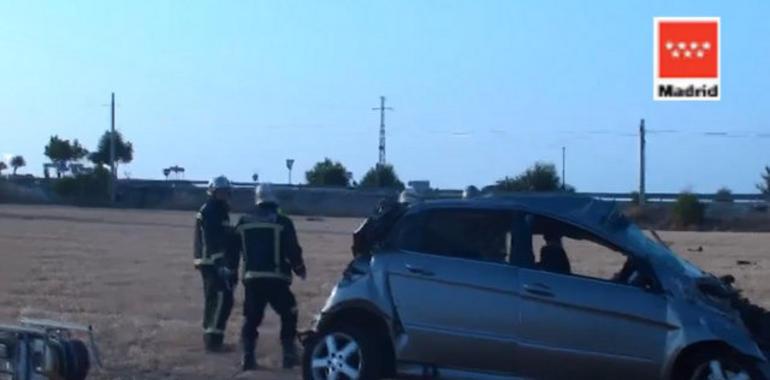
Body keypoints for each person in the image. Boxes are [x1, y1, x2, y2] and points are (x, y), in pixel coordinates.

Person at [234, 183, 306, 370]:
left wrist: (230, 271)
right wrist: (299, 268)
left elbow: (233, 249)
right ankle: (289, 353)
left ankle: (248, 357)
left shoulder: (243, 221)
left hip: (252, 279)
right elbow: (293, 249)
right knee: (289, 312)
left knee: (251, 318)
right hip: (277, 279)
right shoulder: (283, 221)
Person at [193, 175, 238, 352]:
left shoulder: (219, 209)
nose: (223, 195)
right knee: (219, 299)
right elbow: (212, 239)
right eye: (220, 192)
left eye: (225, 192)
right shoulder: (212, 210)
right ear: (213, 192)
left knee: (221, 299)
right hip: (210, 261)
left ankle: (215, 338)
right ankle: (212, 341)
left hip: (213, 260)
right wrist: (220, 263)